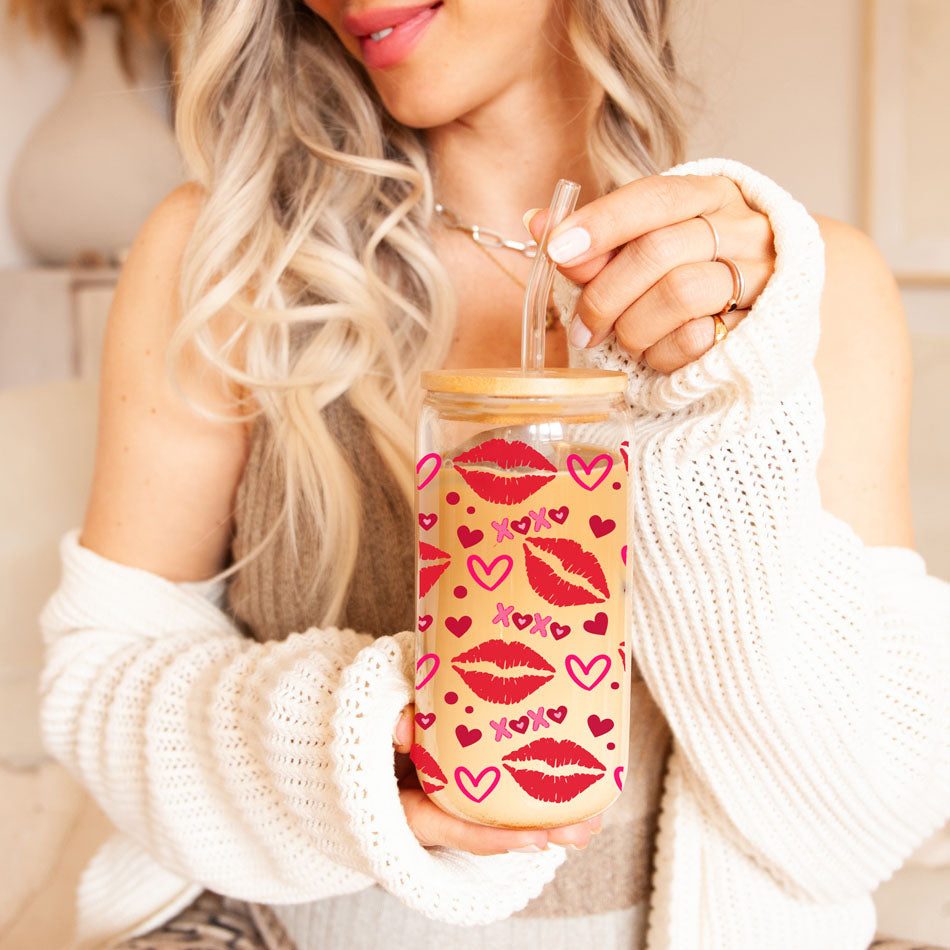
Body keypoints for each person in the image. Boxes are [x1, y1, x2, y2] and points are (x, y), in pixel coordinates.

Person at [38, 0, 950, 948]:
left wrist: (713, 425)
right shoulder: (227, 261)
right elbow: (100, 681)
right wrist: (344, 747)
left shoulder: (801, 292)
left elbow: (859, 822)